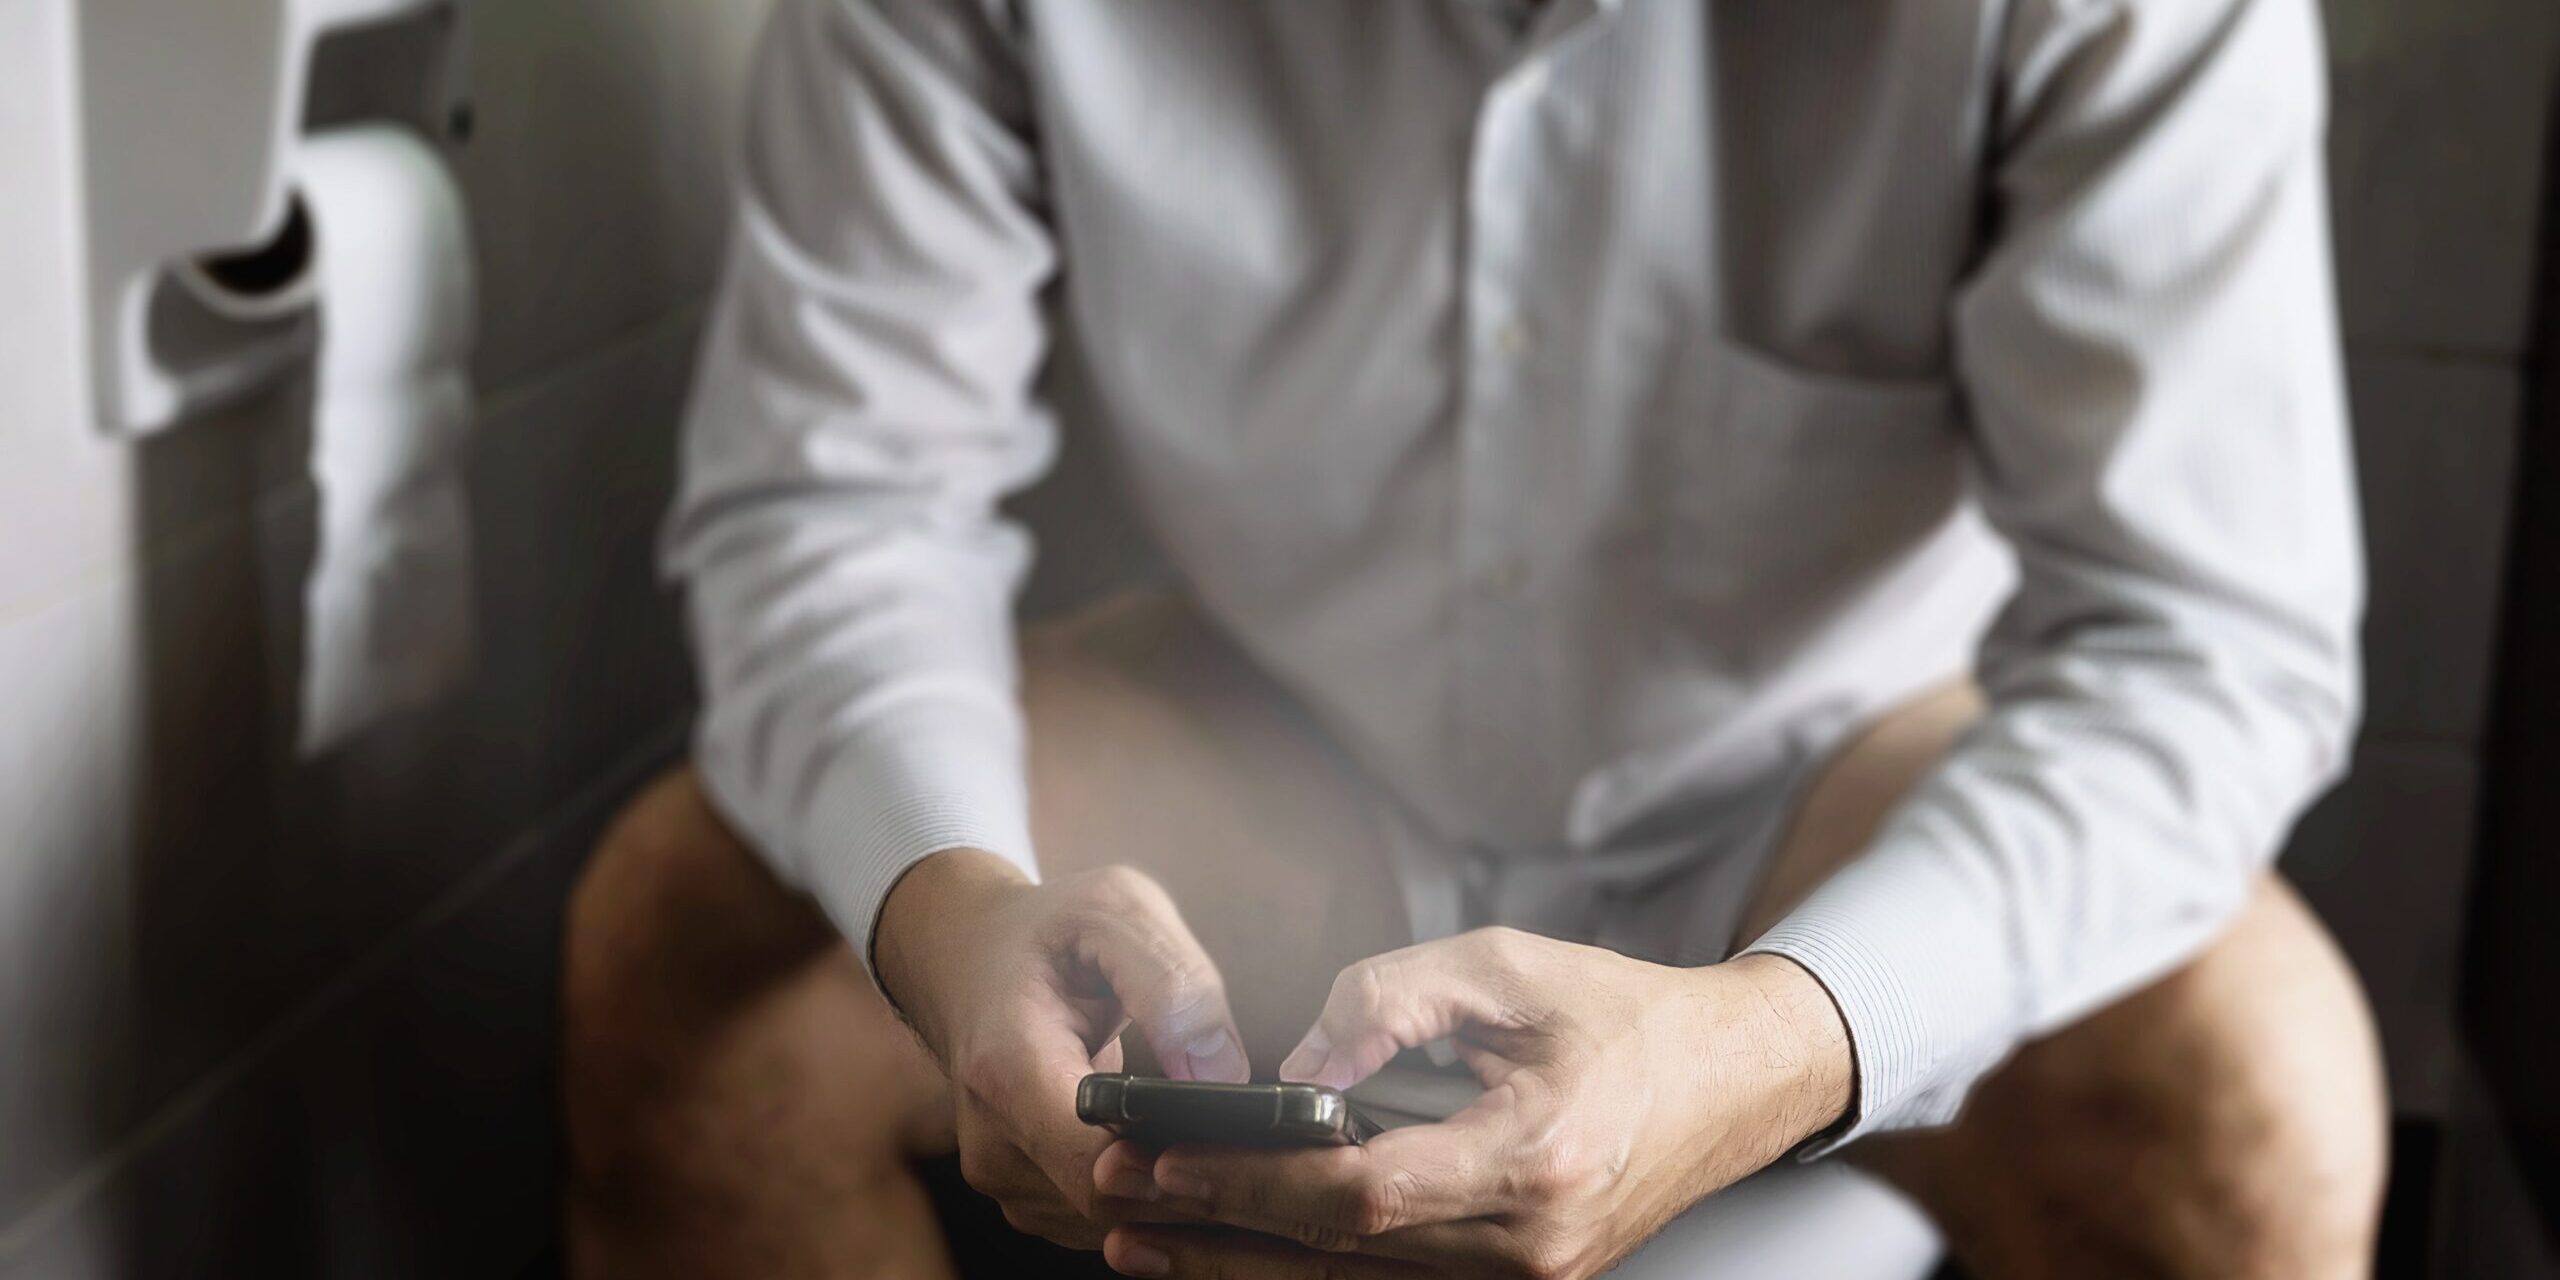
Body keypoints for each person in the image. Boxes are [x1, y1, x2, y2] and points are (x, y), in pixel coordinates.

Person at [561, 1, 2389, 1276]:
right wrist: (950, 925)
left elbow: (2202, 644)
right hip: (1271, 741)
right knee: (691, 960)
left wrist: (1782, 1038)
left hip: (1822, 780)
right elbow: (839, 506)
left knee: (2256, 1104)